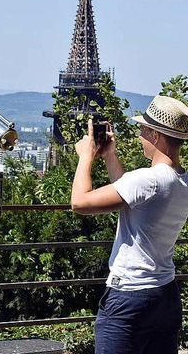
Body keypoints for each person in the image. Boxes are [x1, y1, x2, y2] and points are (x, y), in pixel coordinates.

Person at [71, 96, 188, 354]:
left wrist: (85, 156)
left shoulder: (148, 180)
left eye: (143, 130)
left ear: (156, 135)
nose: (139, 136)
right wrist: (110, 155)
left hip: (130, 297)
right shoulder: (182, 181)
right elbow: (133, 195)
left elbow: (79, 203)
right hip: (165, 294)